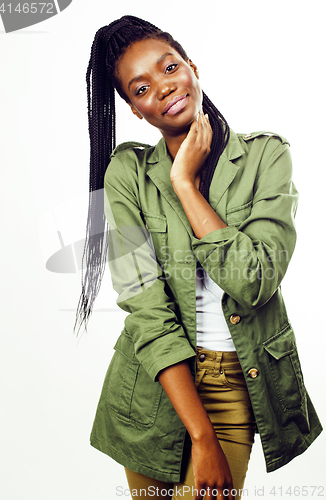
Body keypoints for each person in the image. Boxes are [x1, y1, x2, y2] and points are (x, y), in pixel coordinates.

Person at [75, 15, 322, 500]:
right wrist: (200, 437)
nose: (163, 89)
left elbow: (255, 280)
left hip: (237, 386)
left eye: (169, 68)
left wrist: (185, 185)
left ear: (192, 66)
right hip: (153, 390)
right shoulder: (127, 172)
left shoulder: (267, 158)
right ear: (134, 109)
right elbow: (145, 307)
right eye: (141, 87)